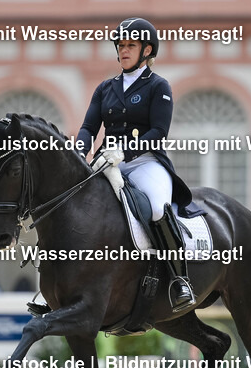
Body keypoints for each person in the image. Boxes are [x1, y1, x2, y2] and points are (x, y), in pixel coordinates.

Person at [74, 16, 202, 312]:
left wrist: (125, 152)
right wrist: (80, 151)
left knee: (158, 207)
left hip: (144, 163)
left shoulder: (159, 86)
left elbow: (158, 131)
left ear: (147, 51)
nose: (123, 50)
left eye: (131, 45)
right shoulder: (105, 88)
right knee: (75, 205)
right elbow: (89, 126)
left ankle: (179, 280)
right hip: (107, 164)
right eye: (120, 45)